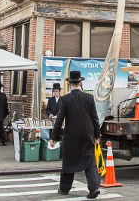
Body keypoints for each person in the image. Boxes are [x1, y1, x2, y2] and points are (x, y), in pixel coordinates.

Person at [50, 71, 101, 199]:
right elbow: (95, 118)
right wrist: (97, 135)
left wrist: (54, 137)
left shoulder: (65, 99)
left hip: (71, 135)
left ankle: (64, 188)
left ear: (70, 84)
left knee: (68, 160)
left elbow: (59, 119)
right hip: (87, 133)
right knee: (89, 160)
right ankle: (94, 188)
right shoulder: (89, 98)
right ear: (80, 83)